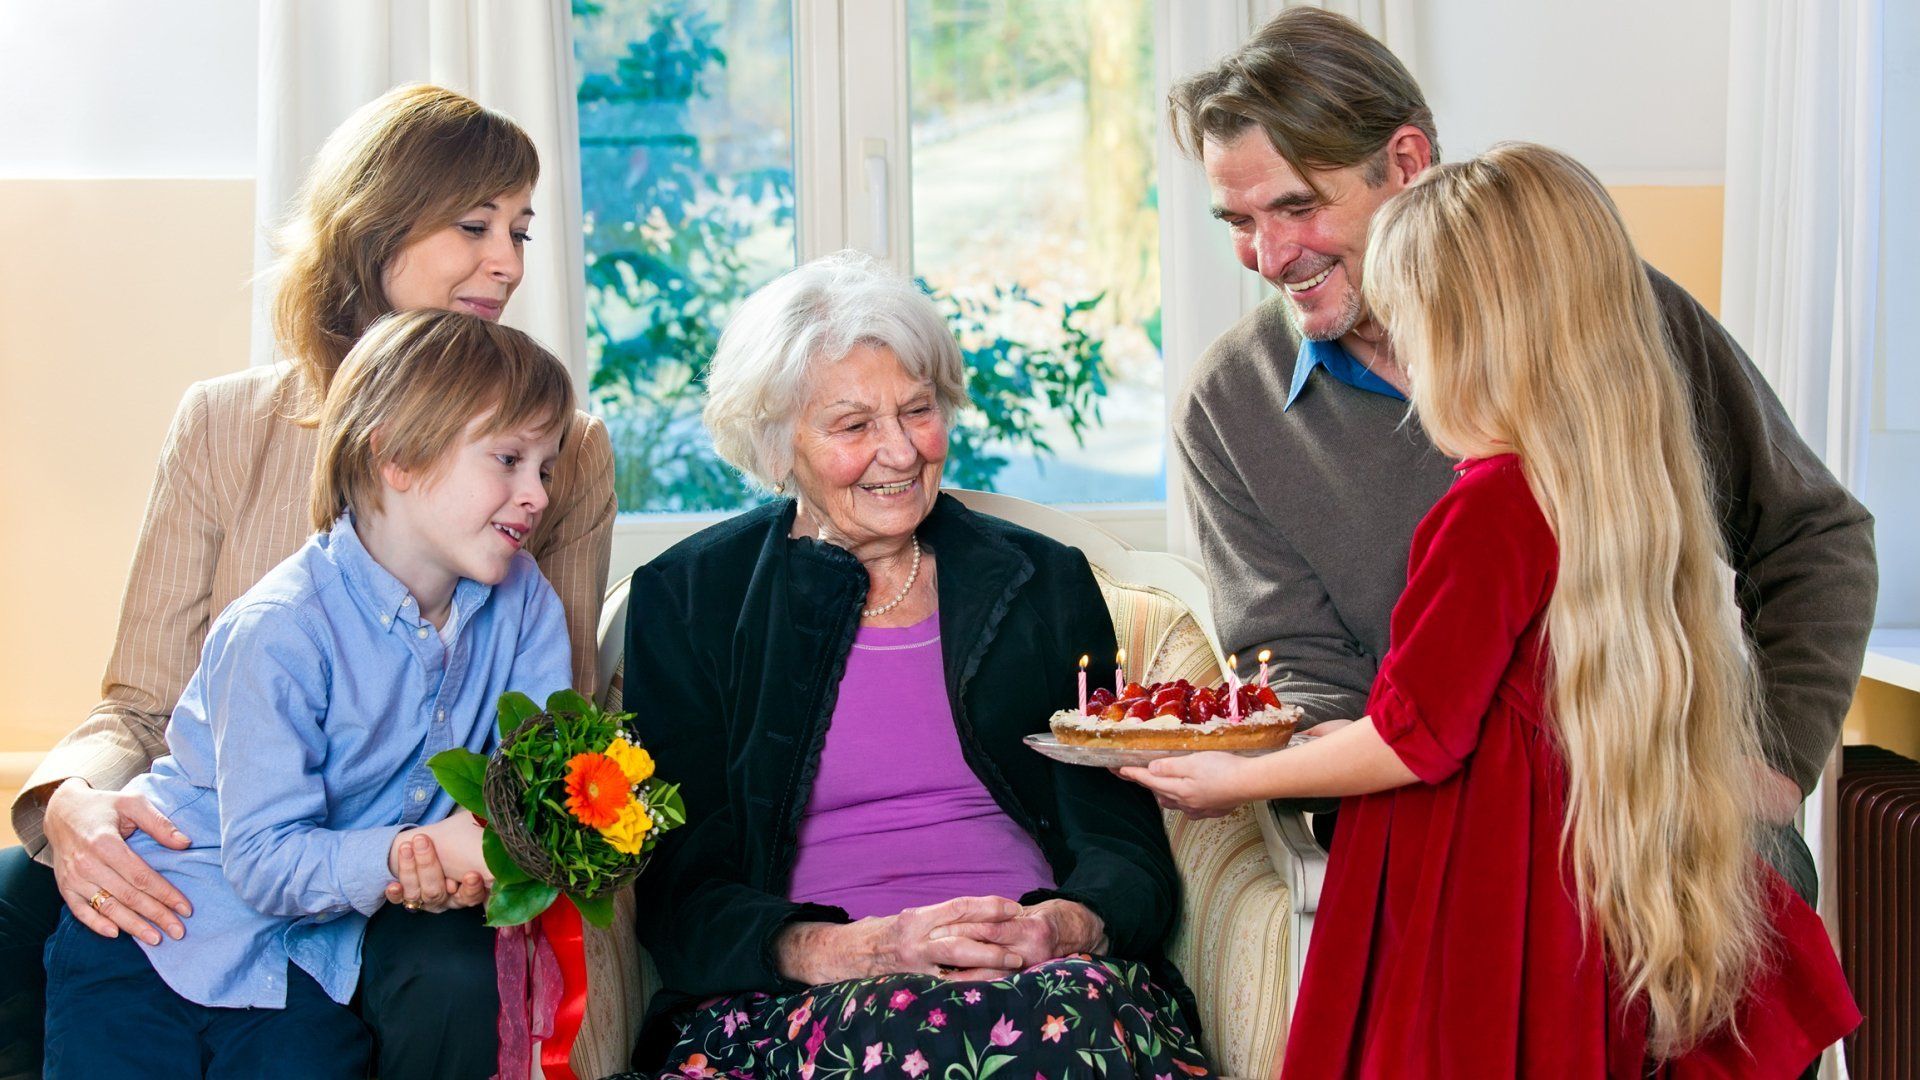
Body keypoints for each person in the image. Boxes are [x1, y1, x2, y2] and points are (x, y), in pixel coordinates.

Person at [1124, 142, 1861, 1077]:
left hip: (1488, 879)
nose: (1397, 362)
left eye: (1411, 330)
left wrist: (1236, 780)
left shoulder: (1487, 511)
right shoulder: (1596, 483)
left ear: (1475, 339)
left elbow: (1416, 738)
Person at [1165, 7, 1875, 889]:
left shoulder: (1617, 312)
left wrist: (1776, 765)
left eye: (1297, 207)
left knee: (1755, 879)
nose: (1270, 257)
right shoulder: (1229, 404)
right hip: (1428, 815)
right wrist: (1321, 762)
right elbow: (1298, 666)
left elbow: (1814, 539)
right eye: (1236, 221)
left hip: (1651, 810)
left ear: (1407, 163)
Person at [0, 85, 617, 1079]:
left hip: (403, 863)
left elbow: (550, 731)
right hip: (235, 842)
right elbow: (143, 702)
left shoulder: (560, 458)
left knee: (443, 970)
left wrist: (462, 847)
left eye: (520, 231)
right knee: (20, 898)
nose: (507, 261)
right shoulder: (226, 427)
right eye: (474, 225)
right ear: (376, 225)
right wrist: (71, 800)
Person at [613, 252, 1211, 1079]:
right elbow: (683, 892)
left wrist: (1061, 926)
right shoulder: (692, 601)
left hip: (1046, 985)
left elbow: (1124, 845)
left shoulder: (1041, 583)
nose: (899, 451)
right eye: (854, 426)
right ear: (777, 444)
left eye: (918, 411)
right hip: (809, 1000)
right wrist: (856, 949)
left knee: (1046, 1030)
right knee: (920, 1039)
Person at [40, 310, 576, 1078]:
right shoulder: (279, 628)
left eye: (546, 470)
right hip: (152, 933)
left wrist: (486, 846)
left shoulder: (525, 605)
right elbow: (262, 860)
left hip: (306, 960)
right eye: (509, 459)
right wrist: (420, 849)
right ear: (396, 456)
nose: (537, 495)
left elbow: (540, 775)